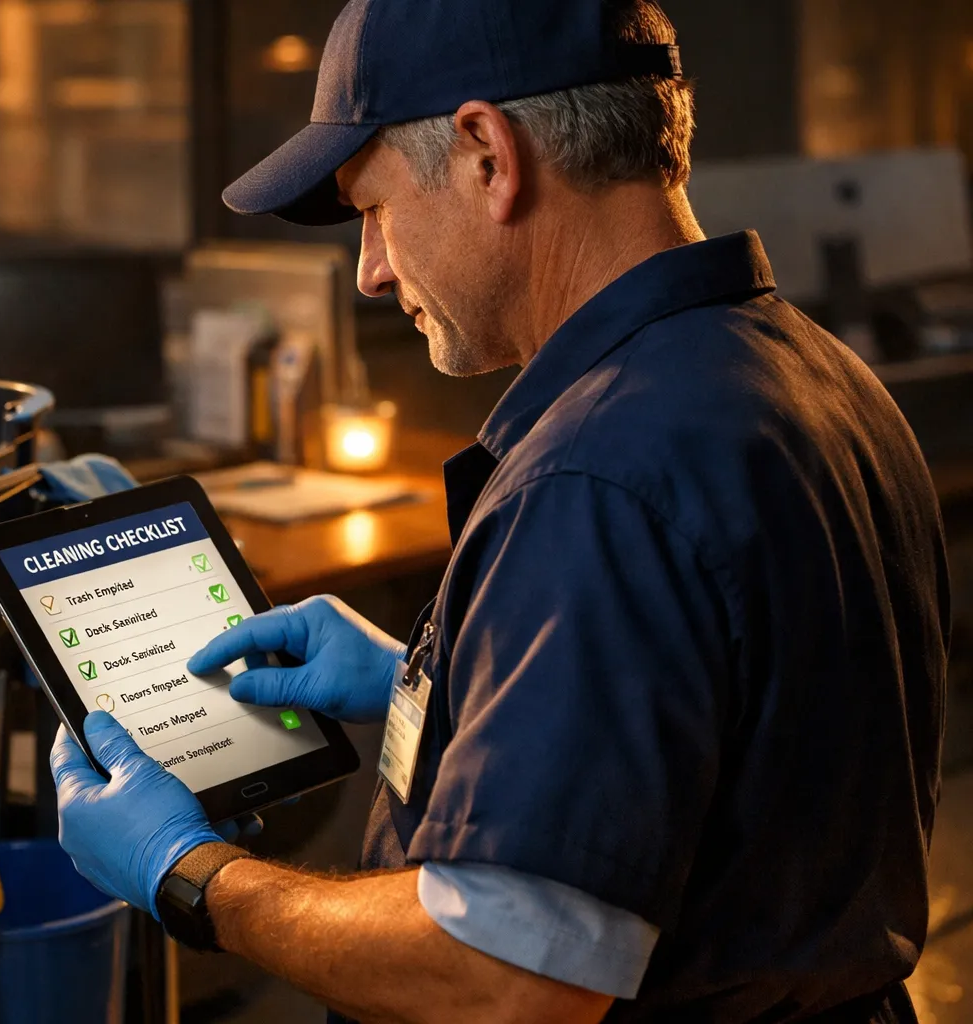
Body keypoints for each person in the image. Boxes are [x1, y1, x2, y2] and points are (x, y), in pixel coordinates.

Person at [49, 0, 949, 1020]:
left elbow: (506, 980)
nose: (372, 271)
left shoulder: (600, 475)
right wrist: (428, 685)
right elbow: (746, 732)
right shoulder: (811, 374)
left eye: (375, 212)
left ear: (488, 154)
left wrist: (189, 872)